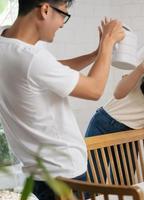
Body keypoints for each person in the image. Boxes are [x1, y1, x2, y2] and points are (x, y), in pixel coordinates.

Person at [0, 0, 125, 199]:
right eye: (64, 14)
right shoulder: (31, 58)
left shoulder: (7, 44)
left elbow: (51, 69)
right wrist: (108, 42)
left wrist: (97, 53)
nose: (62, 24)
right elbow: (95, 90)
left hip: (38, 174)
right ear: (46, 9)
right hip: (64, 174)